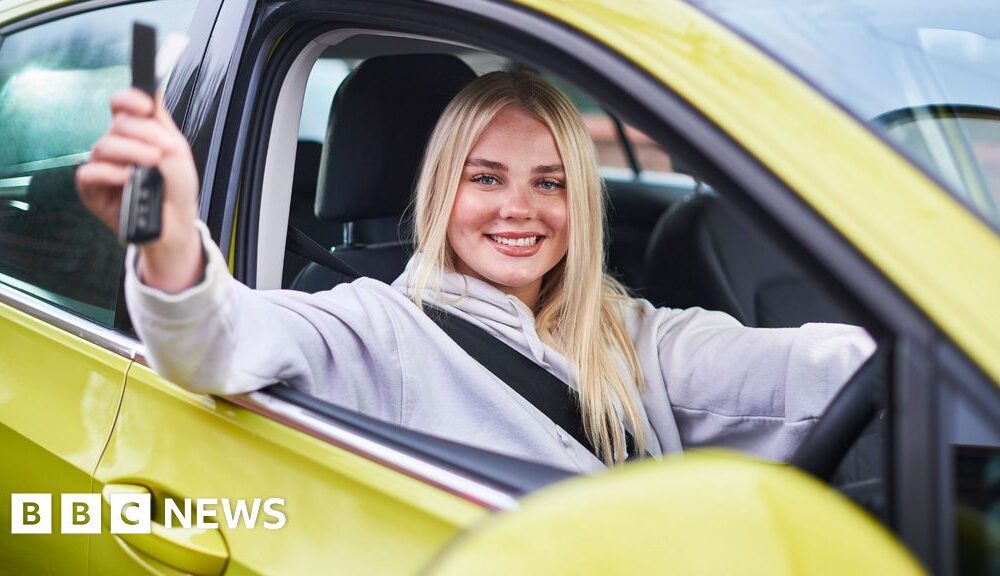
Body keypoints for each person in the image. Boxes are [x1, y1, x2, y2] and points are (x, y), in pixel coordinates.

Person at [76, 70, 875, 472]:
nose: (519, 209)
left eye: (550, 182)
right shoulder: (376, 326)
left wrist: (945, 342)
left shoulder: (626, 333)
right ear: (440, 189)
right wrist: (169, 240)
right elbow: (216, 341)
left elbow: (796, 371)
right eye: (486, 178)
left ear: (580, 203)